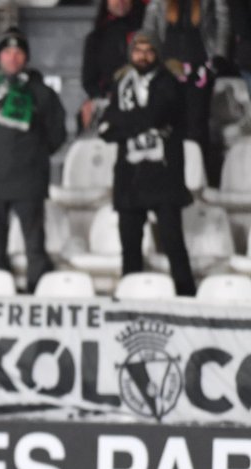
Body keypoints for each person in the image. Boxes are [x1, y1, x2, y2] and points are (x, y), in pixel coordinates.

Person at [0, 27, 66, 293]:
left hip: (29, 180)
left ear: (26, 57)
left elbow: (57, 135)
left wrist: (31, 154)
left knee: (35, 248)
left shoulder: (43, 93)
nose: (12, 57)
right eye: (7, 51)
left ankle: (37, 300)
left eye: (18, 51)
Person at [99, 31, 196, 295]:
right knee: (130, 246)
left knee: (173, 244)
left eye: (149, 50)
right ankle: (131, 300)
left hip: (164, 176)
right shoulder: (121, 84)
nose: (143, 56)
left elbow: (156, 114)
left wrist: (122, 121)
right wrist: (130, 123)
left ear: (157, 53)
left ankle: (187, 300)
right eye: (138, 50)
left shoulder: (170, 82)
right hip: (130, 177)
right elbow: (105, 129)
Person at [141, 0, 229, 158]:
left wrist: (219, 56)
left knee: (197, 124)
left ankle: (198, 173)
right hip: (168, 67)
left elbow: (223, 19)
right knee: (168, 121)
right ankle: (171, 170)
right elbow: (149, 28)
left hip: (200, 68)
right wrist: (148, 59)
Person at [81, 0, 148, 132]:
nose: (121, 2)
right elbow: (89, 81)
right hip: (109, 104)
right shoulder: (96, 38)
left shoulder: (146, 34)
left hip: (144, 102)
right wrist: (104, 98)